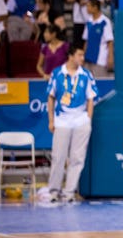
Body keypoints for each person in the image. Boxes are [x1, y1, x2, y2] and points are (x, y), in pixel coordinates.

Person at [46, 45, 98, 203]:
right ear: (70, 56)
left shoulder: (86, 75)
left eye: (83, 55)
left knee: (77, 158)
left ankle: (69, 193)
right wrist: (51, 120)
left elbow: (91, 99)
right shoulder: (57, 74)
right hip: (62, 120)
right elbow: (50, 97)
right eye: (79, 55)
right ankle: (54, 192)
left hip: (80, 120)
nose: (82, 58)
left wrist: (88, 119)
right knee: (58, 157)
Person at [82, 0, 114, 77]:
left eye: (88, 6)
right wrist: (82, 56)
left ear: (95, 7)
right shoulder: (89, 22)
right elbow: (86, 41)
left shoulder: (105, 22)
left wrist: (110, 58)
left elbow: (110, 41)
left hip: (100, 59)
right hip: (88, 58)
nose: (87, 8)